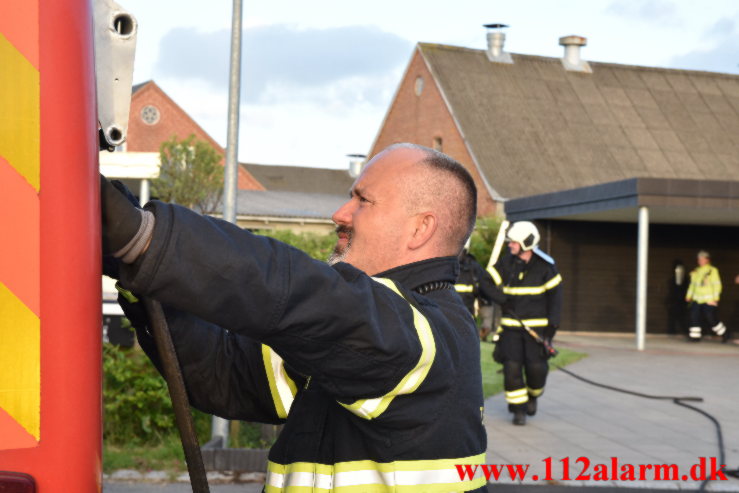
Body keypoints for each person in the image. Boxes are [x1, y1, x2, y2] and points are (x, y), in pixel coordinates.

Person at [101, 143, 489, 492]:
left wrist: (148, 239)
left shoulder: (426, 335)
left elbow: (301, 295)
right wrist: (138, 272)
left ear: (420, 228)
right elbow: (225, 377)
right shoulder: (357, 337)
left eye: (362, 200)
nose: (340, 213)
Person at [488, 221, 562, 426]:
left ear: (526, 243)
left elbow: (556, 301)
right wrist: (500, 298)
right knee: (511, 369)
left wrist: (550, 331)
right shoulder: (506, 263)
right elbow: (486, 281)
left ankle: (533, 395)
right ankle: (518, 410)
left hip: (536, 333)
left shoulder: (546, 268)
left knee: (536, 371)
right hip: (510, 330)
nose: (510, 245)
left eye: (513, 242)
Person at [455, 241, 504, 340]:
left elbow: (484, 289)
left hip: (465, 318)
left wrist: (486, 324)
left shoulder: (474, 268)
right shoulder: (443, 265)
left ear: (465, 250)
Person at [685, 250, 728, 342]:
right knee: (694, 316)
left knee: (710, 318)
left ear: (707, 260)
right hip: (696, 299)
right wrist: (688, 296)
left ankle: (724, 333)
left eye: (702, 259)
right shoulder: (696, 271)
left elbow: (717, 285)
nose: (700, 261)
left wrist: (716, 298)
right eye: (699, 259)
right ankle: (695, 337)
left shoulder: (712, 270)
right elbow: (693, 285)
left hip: (709, 299)